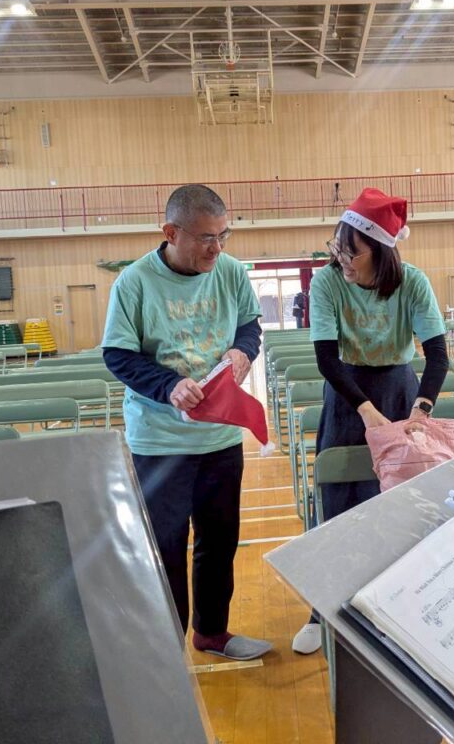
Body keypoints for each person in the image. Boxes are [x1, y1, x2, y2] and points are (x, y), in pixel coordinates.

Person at [101, 184, 272, 662]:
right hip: (160, 440)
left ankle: (211, 633)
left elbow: (249, 326)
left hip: (219, 436)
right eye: (205, 238)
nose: (216, 248)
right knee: (166, 547)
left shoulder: (230, 271)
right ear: (171, 232)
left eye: (223, 235)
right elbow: (118, 355)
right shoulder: (134, 282)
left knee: (219, 541)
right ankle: (166, 648)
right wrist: (168, 386)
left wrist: (242, 351)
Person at [291, 187, 450, 655]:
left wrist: (421, 409)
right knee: (337, 501)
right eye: (338, 248)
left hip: (399, 388)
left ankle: (397, 603)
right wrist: (364, 410)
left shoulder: (413, 282)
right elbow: (327, 358)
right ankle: (322, 610)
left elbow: (437, 354)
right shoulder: (328, 282)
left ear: (381, 251)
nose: (343, 260)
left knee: (399, 500)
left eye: (353, 252)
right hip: (347, 391)